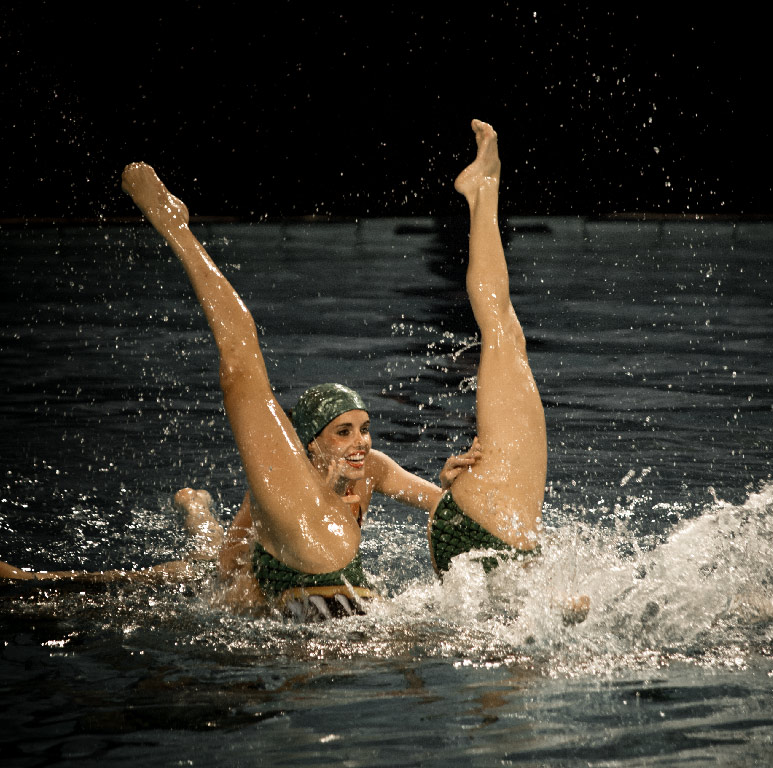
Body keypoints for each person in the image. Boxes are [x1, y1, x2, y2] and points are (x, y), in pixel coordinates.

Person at [2, 120, 548, 612]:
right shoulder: (282, 493)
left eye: (363, 428)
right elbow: (233, 556)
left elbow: (435, 503)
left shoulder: (371, 470)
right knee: (194, 570)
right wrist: (241, 592)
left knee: (507, 337)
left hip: (342, 574)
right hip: (261, 567)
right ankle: (55, 570)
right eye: (344, 432)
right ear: (310, 444)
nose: (360, 442)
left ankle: (484, 194)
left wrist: (452, 480)